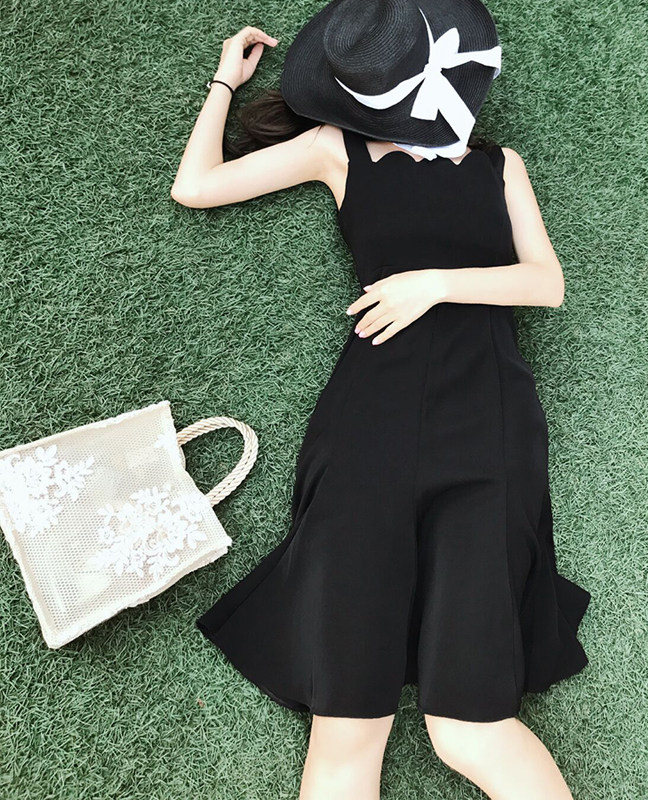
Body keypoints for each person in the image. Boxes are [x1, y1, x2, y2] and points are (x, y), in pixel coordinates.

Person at [171, 2, 591, 798]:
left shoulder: (501, 165)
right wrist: (226, 80)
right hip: (371, 425)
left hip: (488, 428)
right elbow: (195, 187)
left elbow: (547, 283)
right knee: (346, 728)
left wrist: (435, 284)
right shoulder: (336, 149)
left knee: (470, 729)